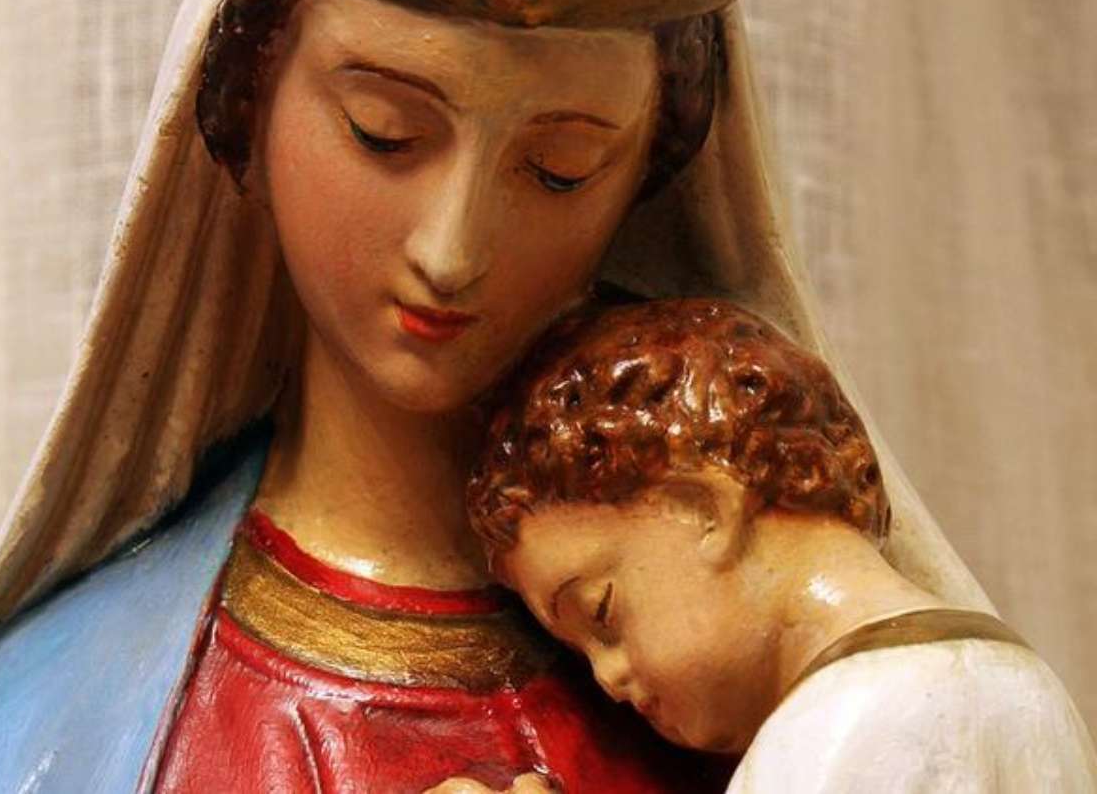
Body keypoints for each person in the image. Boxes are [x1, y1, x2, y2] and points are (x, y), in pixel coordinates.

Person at [0, 0, 993, 791]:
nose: (452, 250)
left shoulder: (790, 701)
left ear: (648, 177)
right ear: (243, 104)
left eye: (559, 168)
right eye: (385, 135)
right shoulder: (52, 725)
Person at [465, 298, 1097, 792]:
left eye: (602, 612)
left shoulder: (841, 728)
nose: (609, 678)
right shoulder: (1023, 683)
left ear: (698, 510)